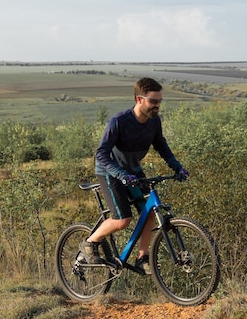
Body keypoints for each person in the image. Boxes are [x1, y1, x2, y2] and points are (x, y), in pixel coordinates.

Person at [79, 77, 188, 273]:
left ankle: (142, 258)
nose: (157, 106)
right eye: (153, 101)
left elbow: (162, 146)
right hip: (110, 171)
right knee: (123, 220)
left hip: (132, 171)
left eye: (159, 101)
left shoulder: (154, 122)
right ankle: (90, 242)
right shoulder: (119, 122)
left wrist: (177, 168)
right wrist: (120, 174)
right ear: (139, 99)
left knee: (149, 213)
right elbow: (101, 154)